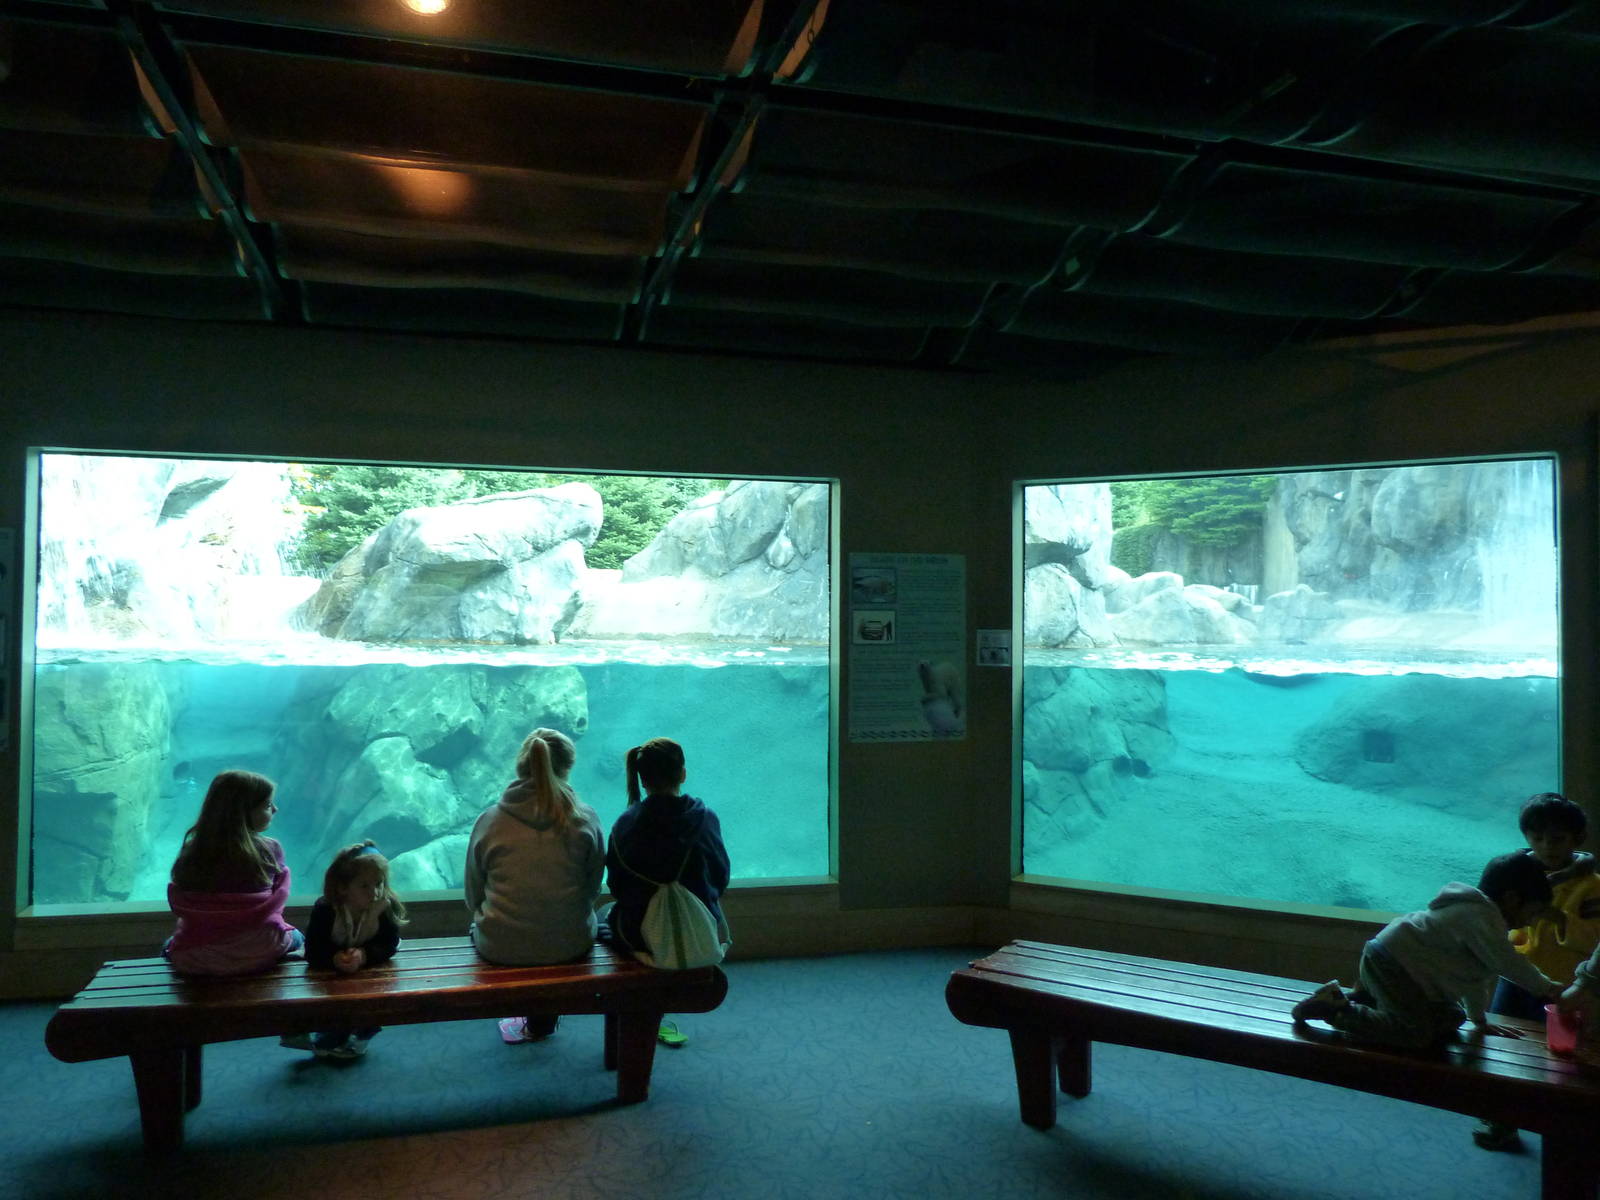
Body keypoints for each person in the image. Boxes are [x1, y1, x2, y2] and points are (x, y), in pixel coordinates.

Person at [1292, 851, 1562, 1050]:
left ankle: (1360, 1000)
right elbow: (1506, 962)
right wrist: (1547, 988)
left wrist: (1479, 1020)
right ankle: (1337, 1011)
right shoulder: (1479, 916)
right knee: (1414, 1034)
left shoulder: (1484, 925)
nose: (1531, 922)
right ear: (1512, 899)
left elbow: (1476, 977)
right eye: (1534, 912)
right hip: (1392, 963)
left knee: (1453, 1016)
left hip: (1397, 966)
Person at [464, 727, 604, 1045]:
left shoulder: (490, 821)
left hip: (500, 947)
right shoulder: (586, 819)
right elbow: (592, 889)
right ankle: (542, 1020)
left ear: (520, 766)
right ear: (567, 768)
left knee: (494, 930)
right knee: (577, 925)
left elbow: (473, 896)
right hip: (571, 943)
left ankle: (526, 1017)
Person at [1475, 795, 1600, 1149]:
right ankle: (1502, 1120)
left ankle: (1561, 1128)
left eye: (1558, 839)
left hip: (1562, 986)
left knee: (1561, 1057)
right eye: (1538, 837)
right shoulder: (1514, 873)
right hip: (1515, 978)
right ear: (1527, 836)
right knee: (1500, 1045)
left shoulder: (1592, 886)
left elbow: (1595, 939)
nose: (1547, 846)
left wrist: (1561, 921)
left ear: (1576, 839)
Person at [605, 737, 731, 1046]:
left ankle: (634, 1012)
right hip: (702, 936)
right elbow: (720, 879)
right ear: (683, 774)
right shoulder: (706, 819)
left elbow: (617, 886)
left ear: (642, 779)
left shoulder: (625, 824)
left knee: (604, 915)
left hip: (642, 941)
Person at [165, 769, 302, 976]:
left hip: (196, 956)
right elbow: (278, 897)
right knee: (297, 936)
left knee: (169, 945)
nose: (275, 809)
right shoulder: (270, 849)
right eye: (267, 805)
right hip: (262, 947)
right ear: (243, 812)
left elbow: (179, 891)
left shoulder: (193, 851)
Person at [280, 840, 407, 1060]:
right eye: (364, 886)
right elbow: (314, 949)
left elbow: (389, 943)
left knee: (371, 992)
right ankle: (324, 1034)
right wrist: (334, 957)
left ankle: (359, 1036)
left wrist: (365, 955)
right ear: (343, 887)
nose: (375, 892)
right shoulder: (326, 909)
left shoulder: (384, 907)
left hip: (367, 969)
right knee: (325, 993)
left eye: (379, 883)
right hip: (330, 969)